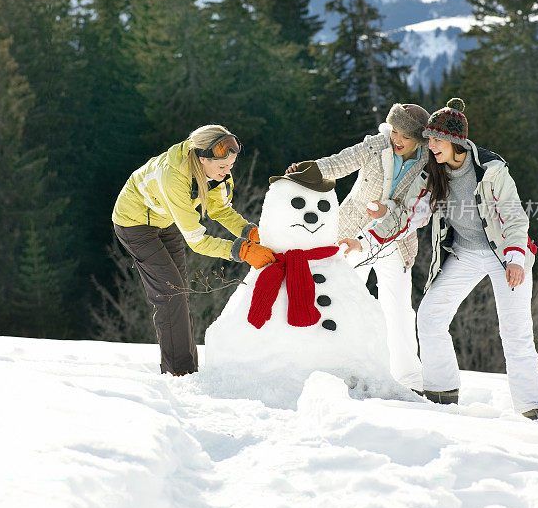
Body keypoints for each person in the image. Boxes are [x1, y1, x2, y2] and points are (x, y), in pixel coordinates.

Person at [343, 98, 538, 421]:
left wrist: (514, 258)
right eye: (429, 140)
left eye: (436, 140)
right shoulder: (433, 174)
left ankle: (531, 407)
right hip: (465, 253)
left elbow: (514, 217)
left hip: (505, 255)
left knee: (515, 331)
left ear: (455, 142)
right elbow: (405, 217)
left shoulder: (491, 169)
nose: (431, 146)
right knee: (429, 316)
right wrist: (363, 241)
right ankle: (442, 391)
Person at [286, 103, 430, 391]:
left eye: (406, 136)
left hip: (395, 239)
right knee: (341, 299)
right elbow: (341, 162)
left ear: (421, 140)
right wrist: (309, 170)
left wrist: (387, 211)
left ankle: (409, 379)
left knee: (398, 308)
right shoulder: (377, 145)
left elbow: (420, 210)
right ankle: (337, 368)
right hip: (351, 232)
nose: (398, 140)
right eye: (396, 132)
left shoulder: (429, 162)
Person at [112, 125, 276, 376]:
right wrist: (241, 252)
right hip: (134, 222)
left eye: (231, 165)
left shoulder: (218, 172)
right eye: (222, 167)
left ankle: (189, 369)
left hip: (168, 220)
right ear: (202, 159)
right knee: (170, 294)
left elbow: (220, 210)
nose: (227, 171)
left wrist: (250, 232)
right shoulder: (173, 177)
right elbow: (197, 241)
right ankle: (180, 374)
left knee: (181, 292)